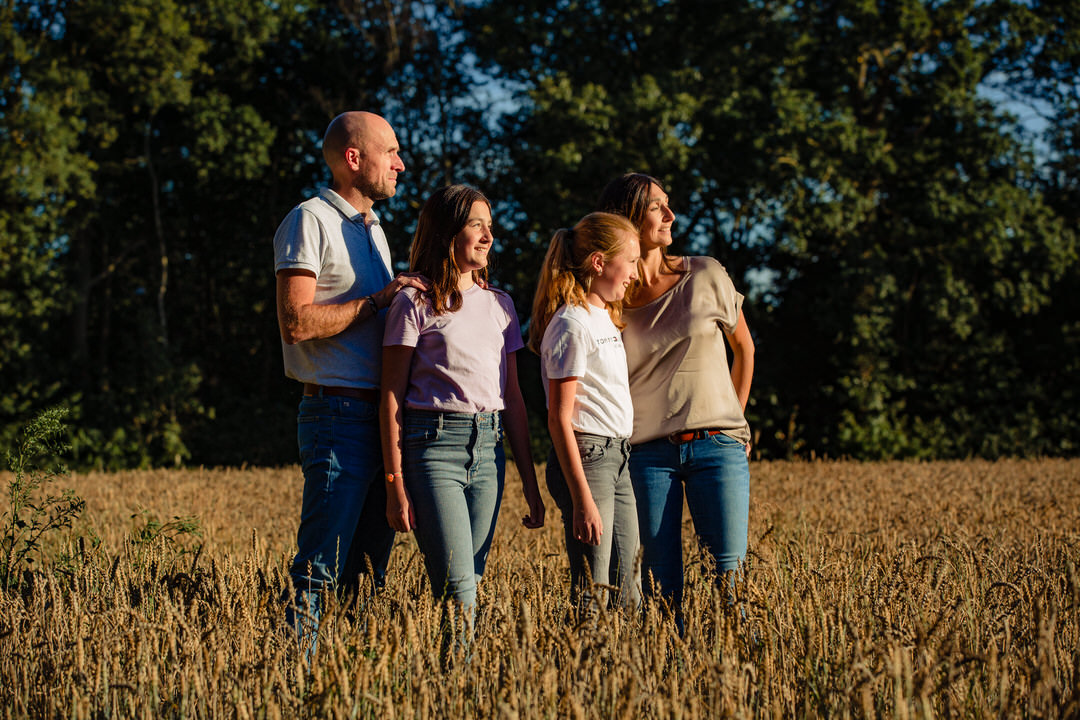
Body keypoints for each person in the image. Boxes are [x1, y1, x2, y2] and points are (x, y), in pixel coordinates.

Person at [273, 111, 427, 644]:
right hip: (336, 417)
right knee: (320, 569)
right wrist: (378, 301)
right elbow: (295, 322)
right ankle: (297, 680)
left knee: (368, 577)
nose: (401, 164)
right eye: (392, 152)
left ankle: (353, 684)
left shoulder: (374, 231)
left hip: (380, 420)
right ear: (355, 159)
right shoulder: (308, 220)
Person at [380, 184, 545, 651]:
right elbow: (390, 396)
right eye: (476, 224)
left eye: (490, 226)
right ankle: (460, 685)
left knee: (470, 578)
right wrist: (395, 484)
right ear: (447, 230)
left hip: (489, 455)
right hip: (433, 450)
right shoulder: (414, 302)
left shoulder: (501, 306)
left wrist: (529, 485)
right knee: (458, 591)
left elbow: (511, 397)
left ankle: (453, 684)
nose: (488, 235)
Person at [596, 173, 755, 625]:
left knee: (731, 583)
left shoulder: (705, 273)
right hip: (645, 456)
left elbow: (744, 348)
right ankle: (672, 683)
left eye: (669, 204)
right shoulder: (610, 298)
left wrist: (732, 422)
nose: (671, 215)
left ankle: (742, 678)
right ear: (628, 217)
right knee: (661, 589)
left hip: (716, 448)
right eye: (656, 207)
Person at [528, 212, 642, 614]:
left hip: (618, 457)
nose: (635, 274)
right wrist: (582, 499)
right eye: (630, 261)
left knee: (629, 589)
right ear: (599, 262)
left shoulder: (604, 319)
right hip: (588, 459)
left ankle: (622, 672)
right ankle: (584, 671)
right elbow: (558, 417)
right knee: (594, 591)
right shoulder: (571, 323)